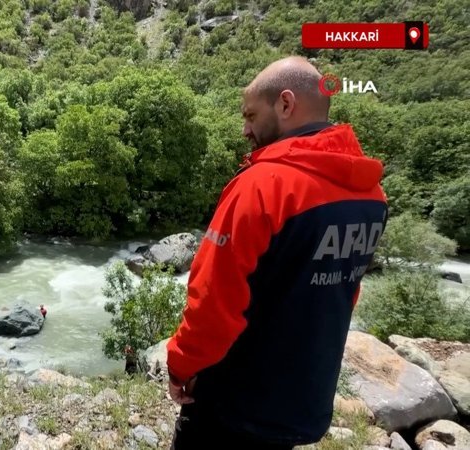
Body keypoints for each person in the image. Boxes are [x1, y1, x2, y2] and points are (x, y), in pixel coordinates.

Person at [166, 56, 388, 449]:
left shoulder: (262, 186)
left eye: (251, 115)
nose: (245, 129)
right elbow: (344, 292)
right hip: (303, 400)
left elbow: (213, 300)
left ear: (285, 105)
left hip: (235, 402)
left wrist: (181, 365)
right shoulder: (371, 195)